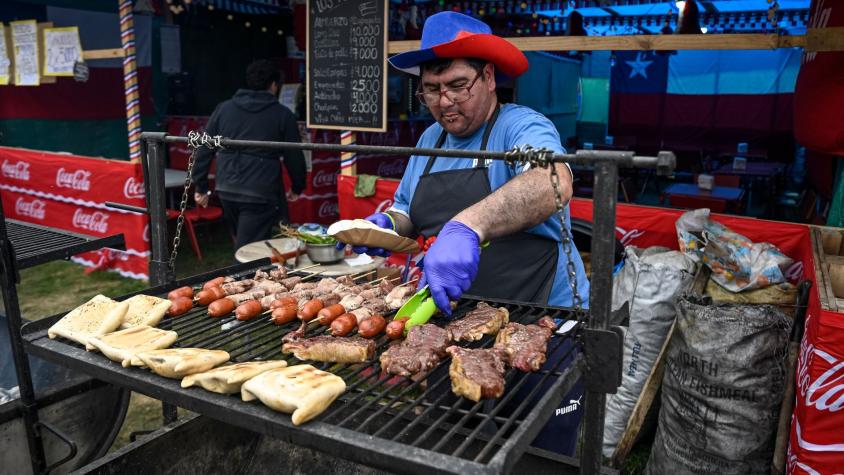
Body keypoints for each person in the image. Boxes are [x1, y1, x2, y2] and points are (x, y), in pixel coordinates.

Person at [341, 12, 590, 455]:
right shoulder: (430, 140)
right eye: (431, 89)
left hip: (541, 321)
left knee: (540, 454)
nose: (445, 101)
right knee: (454, 444)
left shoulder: (521, 126)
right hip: (457, 324)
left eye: (458, 85)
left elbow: (551, 181)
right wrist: (384, 227)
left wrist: (468, 226)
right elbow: (407, 210)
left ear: (489, 77)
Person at [192, 59, 307, 250]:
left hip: (226, 187)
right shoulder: (282, 114)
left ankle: (251, 267)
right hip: (260, 191)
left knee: (246, 245)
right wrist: (297, 185)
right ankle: (245, 270)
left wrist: (201, 186)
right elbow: (293, 154)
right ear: (274, 85)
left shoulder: (223, 108)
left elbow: (204, 147)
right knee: (249, 251)